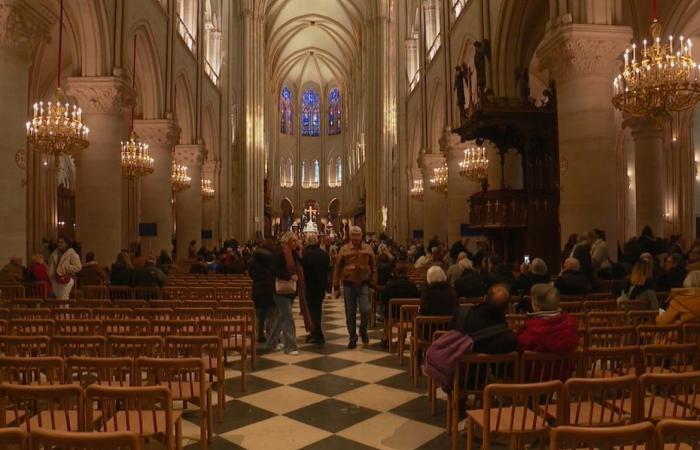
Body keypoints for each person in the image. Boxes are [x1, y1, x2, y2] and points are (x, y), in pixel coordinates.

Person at [517, 284, 578, 381]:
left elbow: (520, 350)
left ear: (536, 306)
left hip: (534, 380)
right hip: (562, 379)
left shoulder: (531, 331)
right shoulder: (571, 324)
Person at [333, 226, 377, 349]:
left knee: (365, 309)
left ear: (361, 236)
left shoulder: (368, 249)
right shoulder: (344, 249)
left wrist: (373, 284)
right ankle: (352, 336)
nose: (356, 237)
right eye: (353, 235)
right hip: (349, 284)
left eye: (358, 235)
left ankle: (363, 330)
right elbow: (337, 268)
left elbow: (374, 267)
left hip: (364, 284)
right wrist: (336, 286)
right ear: (350, 236)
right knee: (350, 312)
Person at [452, 283, 518, 354]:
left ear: (485, 298)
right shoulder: (509, 340)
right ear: (507, 309)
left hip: (460, 363)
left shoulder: (460, 316)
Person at [268, 232, 302, 355]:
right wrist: (289, 276)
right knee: (288, 318)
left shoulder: (294, 253)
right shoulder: (279, 253)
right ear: (287, 241)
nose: (296, 243)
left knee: (282, 317)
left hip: (290, 290)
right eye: (293, 241)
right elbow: (273, 270)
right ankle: (290, 347)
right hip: (280, 290)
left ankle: (271, 342)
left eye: (296, 240)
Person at [381, 262, 420, 346]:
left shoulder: (390, 284)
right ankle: (402, 338)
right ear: (406, 272)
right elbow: (417, 298)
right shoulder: (412, 285)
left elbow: (384, 298)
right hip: (408, 314)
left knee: (387, 313)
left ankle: (385, 337)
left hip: (393, 313)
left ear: (396, 272)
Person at [302, 233, 330, 344]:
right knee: (317, 309)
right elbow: (328, 270)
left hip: (309, 286)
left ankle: (317, 334)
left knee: (312, 310)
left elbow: (304, 271)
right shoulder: (323, 254)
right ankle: (315, 333)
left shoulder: (306, 254)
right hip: (321, 285)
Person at [248, 239, 277, 343]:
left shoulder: (253, 260)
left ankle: (260, 335)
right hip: (270, 288)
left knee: (259, 315)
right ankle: (272, 337)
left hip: (258, 289)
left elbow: (250, 273)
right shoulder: (273, 259)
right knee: (272, 315)